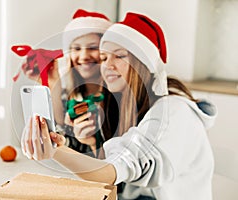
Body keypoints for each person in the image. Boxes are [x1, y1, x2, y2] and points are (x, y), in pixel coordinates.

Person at [21, 12, 217, 200]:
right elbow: (114, 169)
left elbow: (119, 169)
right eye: (105, 57)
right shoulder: (120, 106)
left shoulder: (174, 112)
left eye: (120, 56)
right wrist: (91, 144)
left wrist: (57, 149)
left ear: (143, 63)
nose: (108, 65)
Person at [16, 9, 119, 158]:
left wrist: (91, 142)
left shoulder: (116, 98)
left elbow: (116, 162)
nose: (84, 56)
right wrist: (52, 81)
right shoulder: (70, 94)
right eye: (76, 48)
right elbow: (60, 134)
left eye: (92, 47)